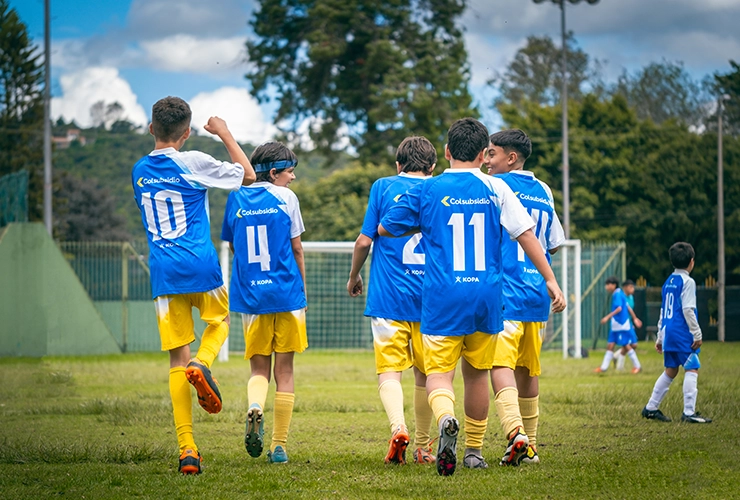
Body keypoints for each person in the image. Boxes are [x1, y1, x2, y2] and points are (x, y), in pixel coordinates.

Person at [379, 118, 566, 476]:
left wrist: (425, 222)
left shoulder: (428, 190)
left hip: (442, 297)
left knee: (438, 375)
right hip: (486, 295)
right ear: (483, 154)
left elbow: (388, 226)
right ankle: (474, 452)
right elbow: (526, 234)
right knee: (478, 375)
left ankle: (447, 419)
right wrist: (551, 280)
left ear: (447, 151)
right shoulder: (497, 189)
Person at [132, 96, 256, 474]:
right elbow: (248, 175)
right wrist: (223, 133)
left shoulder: (138, 170)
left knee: (175, 360)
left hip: (165, 273)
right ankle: (203, 363)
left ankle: (187, 450)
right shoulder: (193, 162)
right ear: (187, 133)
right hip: (201, 265)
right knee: (219, 323)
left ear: (152, 128)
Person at [347, 136, 437, 466]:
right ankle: (425, 446)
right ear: (432, 167)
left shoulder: (383, 187)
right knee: (427, 376)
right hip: (431, 300)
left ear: (398, 165)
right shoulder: (439, 188)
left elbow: (363, 241)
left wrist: (354, 275)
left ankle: (398, 427)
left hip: (389, 297)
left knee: (389, 372)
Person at [221, 141, 308, 464]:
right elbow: (297, 248)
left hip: (252, 298)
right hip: (287, 295)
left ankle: (255, 406)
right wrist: (303, 290)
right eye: (289, 172)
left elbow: (232, 246)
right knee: (285, 371)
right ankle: (280, 445)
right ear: (273, 173)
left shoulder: (236, 198)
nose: (293, 178)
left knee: (259, 368)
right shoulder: (286, 198)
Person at [485, 129, 565, 466]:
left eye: (491, 154)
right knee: (528, 371)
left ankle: (515, 433)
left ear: (511, 158)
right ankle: (530, 446)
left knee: (498, 364)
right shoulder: (543, 189)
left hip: (506, 291)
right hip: (537, 295)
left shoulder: (497, 187)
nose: (486, 161)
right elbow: (554, 242)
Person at [642, 243, 712, 424]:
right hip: (681, 332)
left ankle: (650, 408)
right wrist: (697, 334)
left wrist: (660, 336)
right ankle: (689, 413)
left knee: (671, 370)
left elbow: (663, 311)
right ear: (691, 262)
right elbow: (688, 310)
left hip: (668, 332)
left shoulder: (668, 281)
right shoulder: (688, 282)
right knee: (692, 367)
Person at [614, 279, 643, 370]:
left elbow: (630, 309)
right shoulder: (621, 296)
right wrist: (635, 319)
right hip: (622, 324)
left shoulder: (631, 297)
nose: (633, 289)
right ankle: (621, 366)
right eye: (630, 287)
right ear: (625, 287)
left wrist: (633, 320)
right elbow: (625, 309)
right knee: (626, 344)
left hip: (629, 323)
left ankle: (616, 356)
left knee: (633, 345)